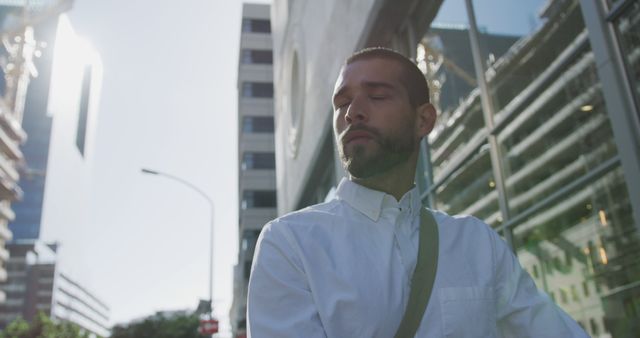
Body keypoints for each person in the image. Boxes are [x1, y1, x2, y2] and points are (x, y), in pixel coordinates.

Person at [247, 47, 588, 337]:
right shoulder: (291, 243)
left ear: (424, 120)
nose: (352, 113)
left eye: (377, 96)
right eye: (342, 103)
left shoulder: (477, 243)